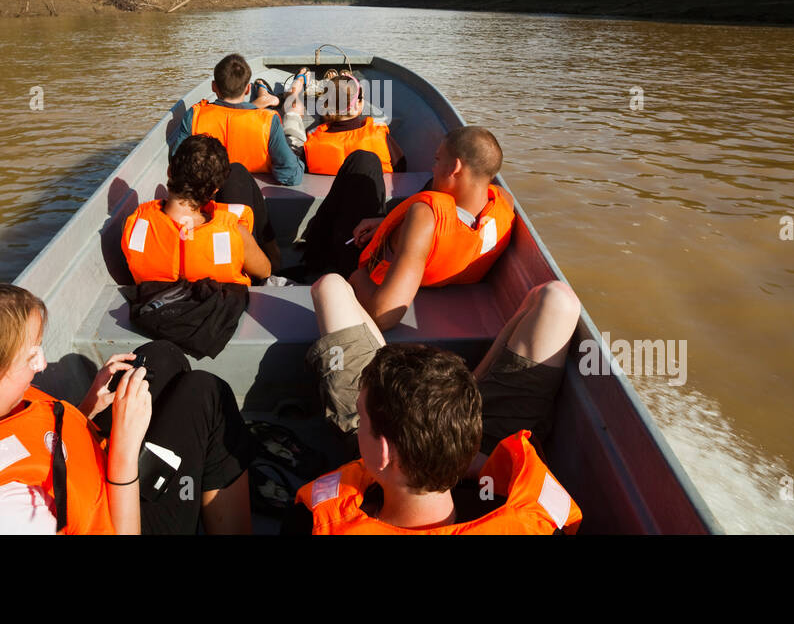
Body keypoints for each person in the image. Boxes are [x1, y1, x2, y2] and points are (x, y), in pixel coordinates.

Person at [0, 282, 253, 535]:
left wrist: (86, 407)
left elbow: (16, 450)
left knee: (160, 356)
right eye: (30, 354)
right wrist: (122, 456)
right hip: (121, 518)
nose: (42, 364)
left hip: (87, 482)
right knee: (206, 394)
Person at [285, 276, 584, 534]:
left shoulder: (311, 523)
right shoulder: (537, 525)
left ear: (385, 451)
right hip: (462, 450)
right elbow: (556, 297)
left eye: (361, 418)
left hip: (428, 450)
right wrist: (483, 464)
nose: (358, 420)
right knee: (557, 299)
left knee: (331, 286)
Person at [304, 126, 515, 329]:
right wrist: (386, 224)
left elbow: (383, 315)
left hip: (363, 273)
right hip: (443, 275)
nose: (433, 167)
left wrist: (357, 277)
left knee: (363, 161)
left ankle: (309, 260)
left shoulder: (424, 217)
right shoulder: (504, 201)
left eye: (437, 160)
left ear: (455, 168)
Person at [122, 134, 272, 286]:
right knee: (238, 171)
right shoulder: (238, 235)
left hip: (161, 302)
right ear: (215, 190)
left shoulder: (133, 226)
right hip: (220, 303)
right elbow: (265, 272)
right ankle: (276, 253)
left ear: (169, 171)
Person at [172, 53, 304, 186]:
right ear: (247, 89)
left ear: (213, 87)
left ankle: (264, 98)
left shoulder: (194, 116)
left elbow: (177, 164)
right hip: (261, 131)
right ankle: (294, 94)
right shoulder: (269, 121)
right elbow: (291, 175)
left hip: (211, 179)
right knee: (293, 115)